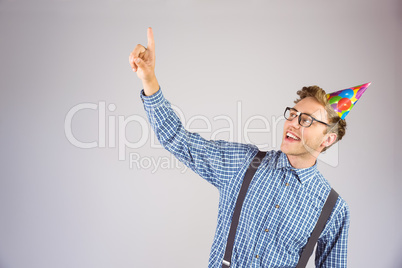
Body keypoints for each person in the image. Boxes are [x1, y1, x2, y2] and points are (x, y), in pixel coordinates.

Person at [129, 27, 352, 267]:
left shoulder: (333, 209)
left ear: (328, 138)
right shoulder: (244, 162)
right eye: (293, 113)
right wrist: (149, 80)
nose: (292, 123)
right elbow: (178, 139)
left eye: (306, 119)